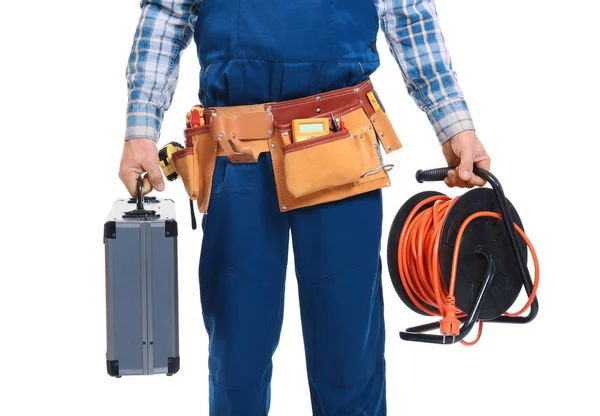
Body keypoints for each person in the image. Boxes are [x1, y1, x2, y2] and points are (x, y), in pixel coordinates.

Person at [119, 0, 490, 414]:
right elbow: (167, 13)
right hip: (237, 153)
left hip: (341, 152)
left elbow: (409, 13)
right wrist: (141, 128)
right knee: (237, 349)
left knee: (349, 349)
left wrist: (455, 124)